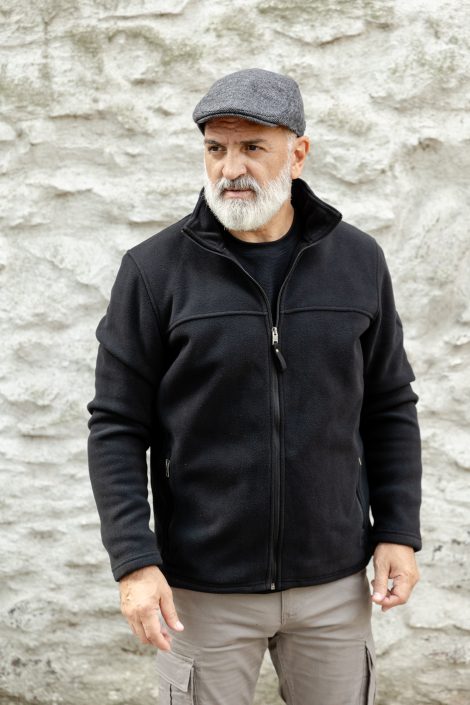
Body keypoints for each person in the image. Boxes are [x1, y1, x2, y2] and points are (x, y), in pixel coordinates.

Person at [86, 68, 422, 705]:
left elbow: (389, 406)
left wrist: (398, 531)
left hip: (333, 584)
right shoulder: (154, 271)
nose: (230, 168)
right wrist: (134, 562)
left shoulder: (358, 261)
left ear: (297, 154)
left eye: (252, 147)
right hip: (201, 592)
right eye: (216, 148)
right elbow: (117, 426)